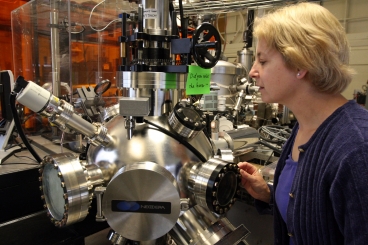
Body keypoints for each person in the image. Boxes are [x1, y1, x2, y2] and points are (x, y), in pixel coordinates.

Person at [237, 2, 368, 245]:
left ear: (300, 64)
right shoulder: (305, 127)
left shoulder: (357, 148)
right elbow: (316, 216)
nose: (252, 72)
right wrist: (268, 195)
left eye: (263, 61)